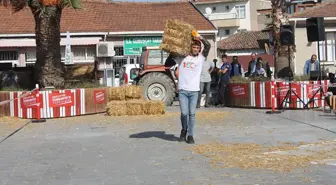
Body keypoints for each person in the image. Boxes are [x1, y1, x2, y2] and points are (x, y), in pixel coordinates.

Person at [166, 34, 211, 144]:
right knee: (184, 113)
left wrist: (199, 36)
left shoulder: (201, 58)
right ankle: (184, 130)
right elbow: (167, 63)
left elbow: (208, 45)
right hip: (183, 90)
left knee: (192, 114)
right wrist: (174, 49)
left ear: (199, 49)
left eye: (198, 48)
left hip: (194, 91)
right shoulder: (182, 57)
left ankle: (190, 135)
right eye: (194, 47)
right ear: (190, 47)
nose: (196, 49)